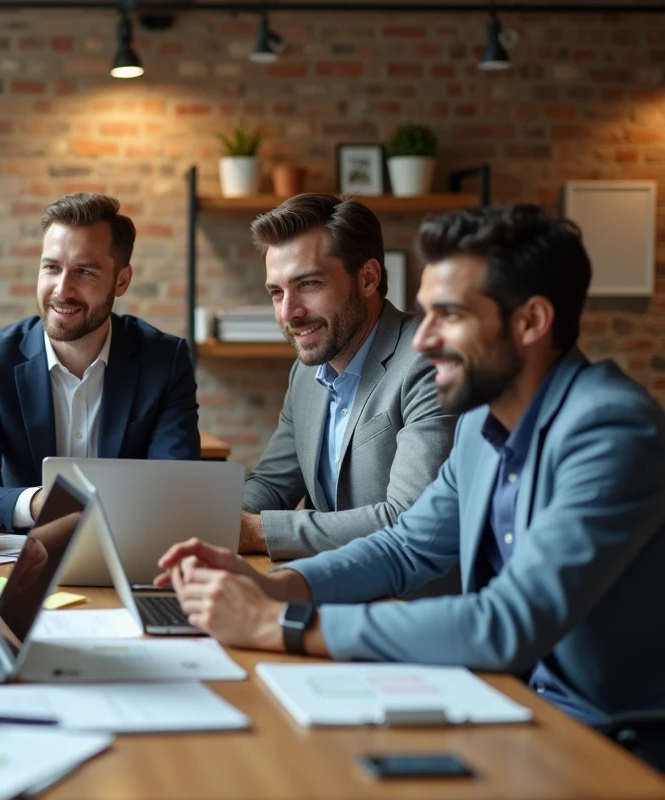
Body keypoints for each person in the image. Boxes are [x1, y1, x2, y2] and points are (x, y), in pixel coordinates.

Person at [158, 204, 665, 731]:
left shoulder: (611, 429)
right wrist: (277, 587)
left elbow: (508, 622)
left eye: (450, 315)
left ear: (531, 321)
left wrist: (283, 624)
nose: (421, 339)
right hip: (498, 698)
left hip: (606, 733)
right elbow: (406, 546)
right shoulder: (481, 425)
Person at [0, 192, 200, 533]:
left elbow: (176, 483)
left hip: (130, 546)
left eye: (84, 272)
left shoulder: (165, 360)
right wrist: (40, 504)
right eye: (51, 267)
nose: (62, 291)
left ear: (121, 280)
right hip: (20, 553)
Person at [240, 194, 455, 563]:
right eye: (277, 292)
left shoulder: (428, 361)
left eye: (308, 284)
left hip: (408, 609)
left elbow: (409, 519)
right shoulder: (306, 374)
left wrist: (258, 532)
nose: (289, 312)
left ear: (368, 278)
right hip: (326, 593)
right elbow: (272, 484)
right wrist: (212, 522)